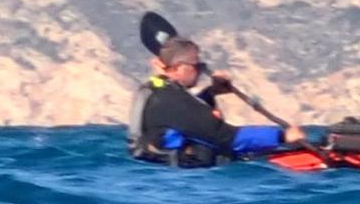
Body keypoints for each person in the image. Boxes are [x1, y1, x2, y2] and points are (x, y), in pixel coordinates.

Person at [129, 37, 305, 166]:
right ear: (180, 68)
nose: (201, 70)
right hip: (182, 182)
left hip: (160, 171)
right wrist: (282, 136)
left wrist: (211, 92)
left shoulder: (156, 89)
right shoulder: (172, 100)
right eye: (197, 66)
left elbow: (184, 119)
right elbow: (228, 137)